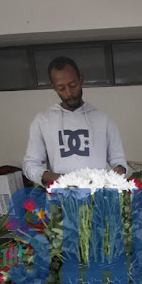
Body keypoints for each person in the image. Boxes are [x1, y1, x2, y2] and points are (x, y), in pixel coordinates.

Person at [23, 56, 127, 187]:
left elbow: (119, 161)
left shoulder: (103, 120)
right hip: (61, 199)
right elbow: (30, 164)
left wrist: (118, 171)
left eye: (73, 85)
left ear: (81, 79)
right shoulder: (43, 120)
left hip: (98, 197)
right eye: (61, 88)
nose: (69, 93)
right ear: (53, 87)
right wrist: (57, 178)